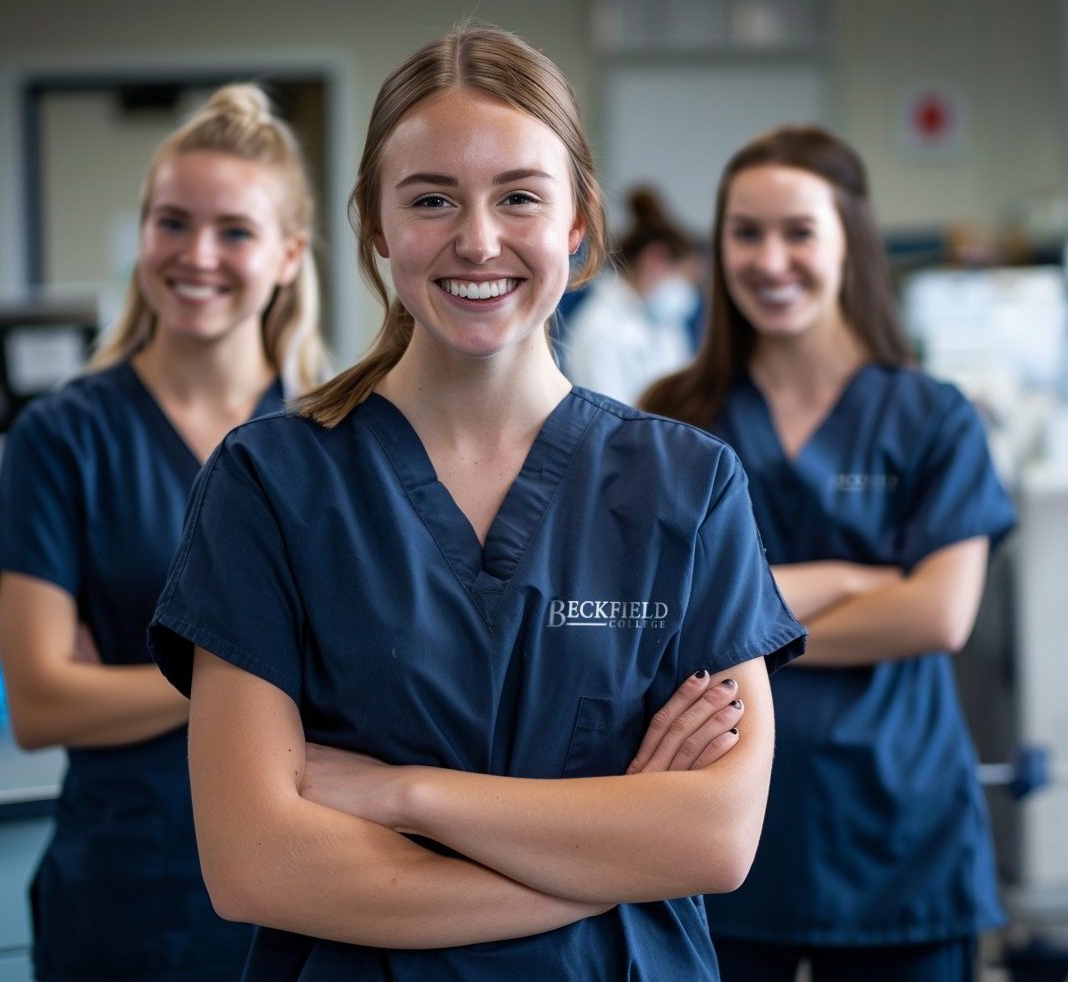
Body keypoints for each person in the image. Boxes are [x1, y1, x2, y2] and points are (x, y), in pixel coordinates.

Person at [146, 24, 804, 980]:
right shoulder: (268, 486)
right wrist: (611, 855)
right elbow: (258, 865)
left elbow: (716, 839)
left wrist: (406, 795)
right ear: (374, 224)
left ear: (578, 223)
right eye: (432, 199)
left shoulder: (689, 486)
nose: (479, 239)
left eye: (520, 198)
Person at [642, 125, 1017, 981]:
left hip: (897, 833)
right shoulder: (671, 420)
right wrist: (851, 581)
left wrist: (741, 614)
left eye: (798, 232)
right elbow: (660, 616)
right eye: (746, 233)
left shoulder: (933, 418)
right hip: (717, 832)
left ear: (850, 241)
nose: (770, 261)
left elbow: (938, 614)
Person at [0, 84, 325, 980]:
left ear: (288, 254)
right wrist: (274, 682)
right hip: (131, 890)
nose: (196, 255)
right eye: (172, 223)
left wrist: (140, 685)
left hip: (315, 885)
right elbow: (42, 702)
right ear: (142, 236)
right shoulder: (65, 436)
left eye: (235, 231)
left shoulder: (335, 436)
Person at [562, 185, 700, 403]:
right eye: (679, 275)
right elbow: (609, 418)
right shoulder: (598, 327)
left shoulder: (664, 323)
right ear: (655, 261)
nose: (684, 291)